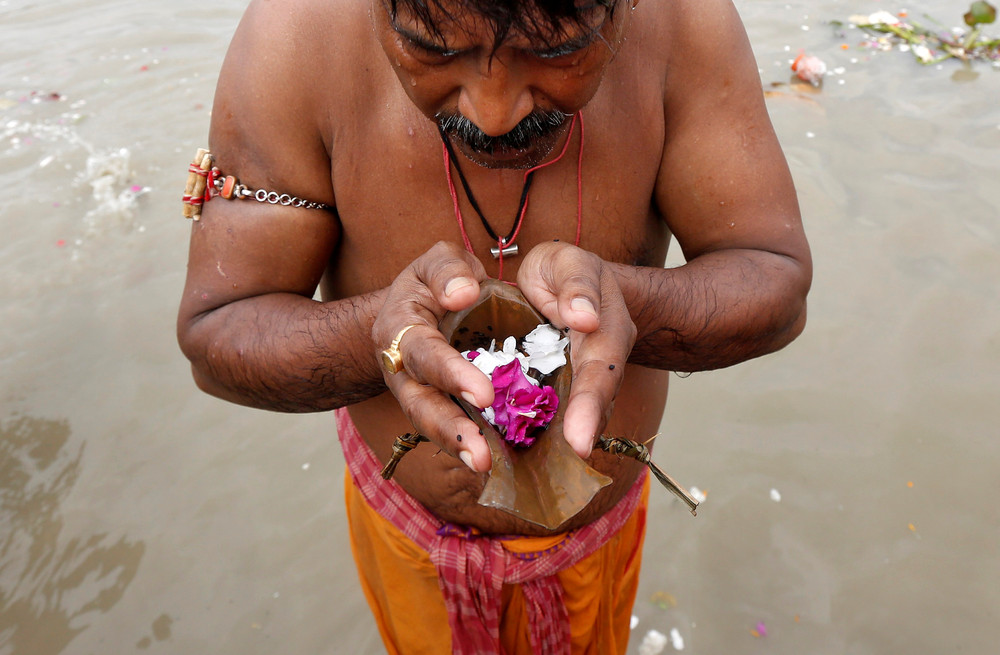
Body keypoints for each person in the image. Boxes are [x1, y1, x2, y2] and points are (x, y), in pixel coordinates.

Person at [177, 0, 812, 652]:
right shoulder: (297, 34)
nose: (494, 111)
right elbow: (218, 331)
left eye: (558, 50)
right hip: (410, 542)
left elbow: (774, 278)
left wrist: (626, 303)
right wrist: (385, 334)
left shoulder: (682, 22)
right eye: (432, 47)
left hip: (596, 547)